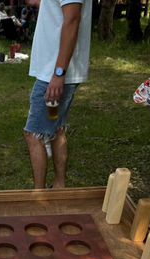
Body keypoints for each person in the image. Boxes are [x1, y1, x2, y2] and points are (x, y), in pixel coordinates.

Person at [24, 0, 92, 189]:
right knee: (56, 128)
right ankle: (59, 186)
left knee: (33, 134)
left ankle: (39, 195)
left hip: (55, 74)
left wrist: (58, 73)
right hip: (55, 72)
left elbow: (72, 19)